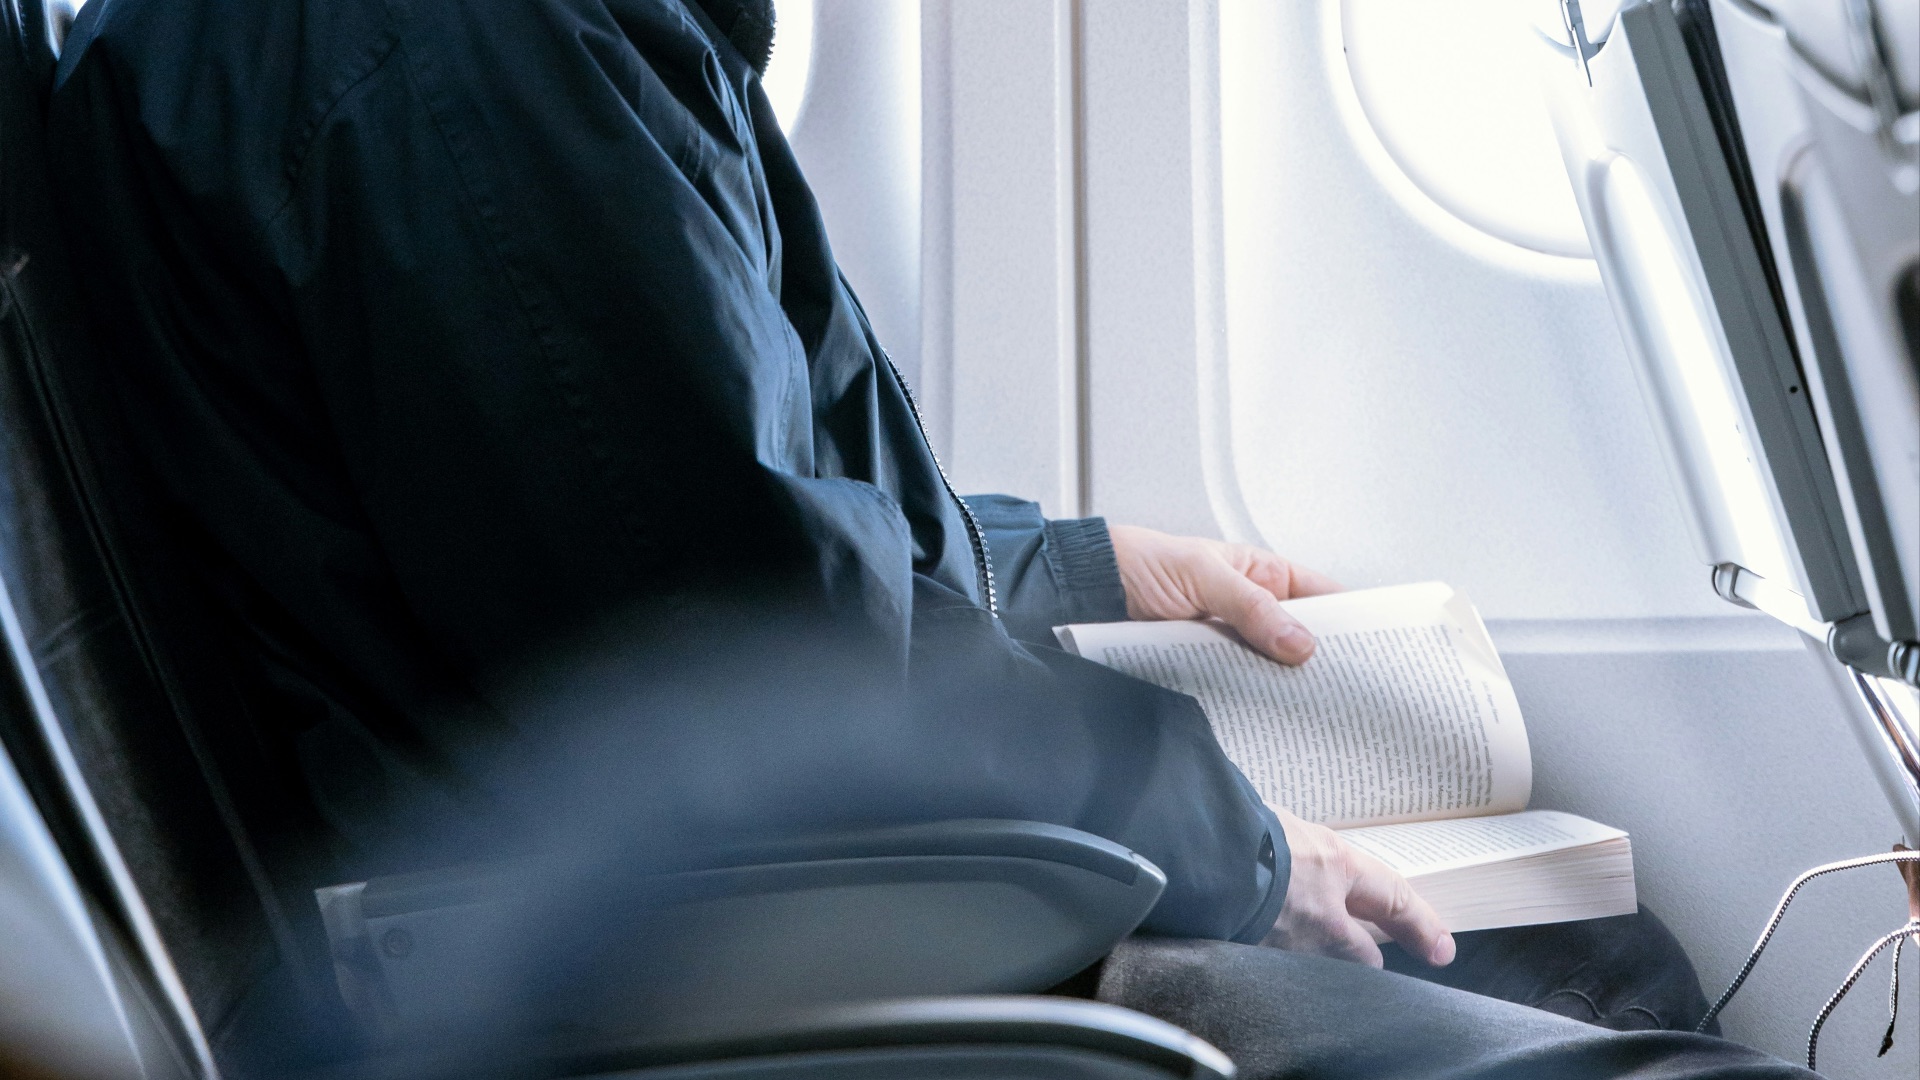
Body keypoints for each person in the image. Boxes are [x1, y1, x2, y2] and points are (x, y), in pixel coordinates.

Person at [45, 1, 1817, 1076]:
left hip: (776, 883)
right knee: (1616, 1024)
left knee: (1597, 957)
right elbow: (757, 670)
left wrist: (1080, 561)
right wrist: (1250, 848)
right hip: (707, 961)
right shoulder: (467, 54)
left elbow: (715, 499)